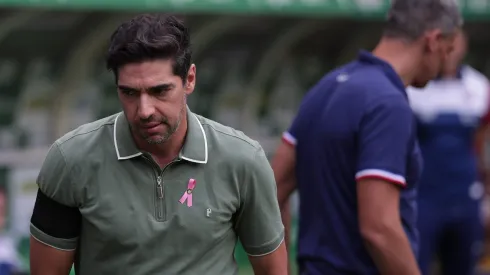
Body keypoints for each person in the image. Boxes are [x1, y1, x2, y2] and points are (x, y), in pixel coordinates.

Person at [29, 14, 287, 275]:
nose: (144, 110)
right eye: (129, 92)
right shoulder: (70, 160)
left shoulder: (244, 160)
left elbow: (272, 268)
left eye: (159, 91)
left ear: (189, 80)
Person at [271, 0, 463, 274]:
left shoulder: (326, 87)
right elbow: (380, 229)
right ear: (432, 40)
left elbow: (273, 188)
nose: (446, 62)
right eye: (449, 49)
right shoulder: (387, 103)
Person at [407, 30, 490, 275]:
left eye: (456, 43)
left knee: (463, 265)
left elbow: (481, 143)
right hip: (424, 196)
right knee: (416, 264)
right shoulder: (414, 87)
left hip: (464, 195)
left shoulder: (479, 88)